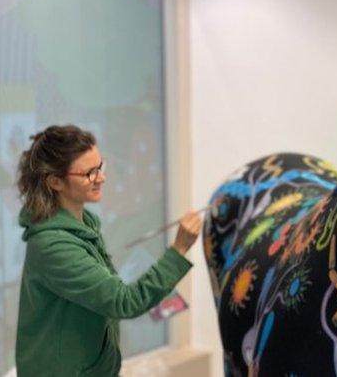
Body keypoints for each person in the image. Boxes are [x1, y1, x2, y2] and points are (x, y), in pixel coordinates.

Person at [14, 124, 201, 376]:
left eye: (100, 167)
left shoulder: (84, 225)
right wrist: (178, 250)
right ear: (55, 181)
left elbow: (109, 290)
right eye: (89, 173)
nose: (101, 178)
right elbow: (123, 302)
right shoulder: (53, 246)